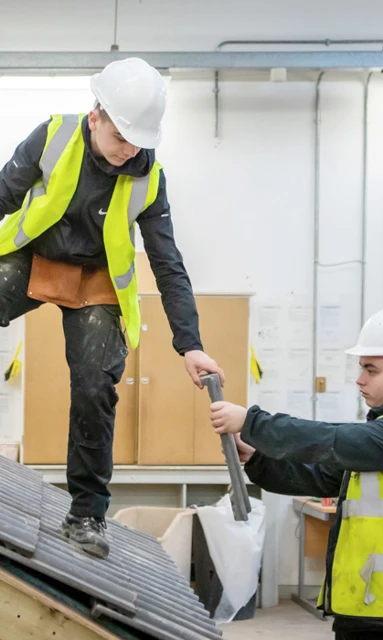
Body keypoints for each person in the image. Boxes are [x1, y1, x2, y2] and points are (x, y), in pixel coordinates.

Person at [0, 57, 223, 559]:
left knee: (96, 384)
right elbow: (2, 197)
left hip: (95, 283)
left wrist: (190, 344)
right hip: (33, 258)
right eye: (120, 137)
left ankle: (86, 515)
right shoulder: (53, 137)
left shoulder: (150, 179)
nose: (128, 151)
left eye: (138, 142)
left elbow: (168, 265)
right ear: (96, 115)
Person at [210, 306, 383, 640]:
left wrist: (252, 422)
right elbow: (322, 475)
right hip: (370, 611)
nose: (359, 379)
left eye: (371, 369)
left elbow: (332, 439)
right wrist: (257, 460)